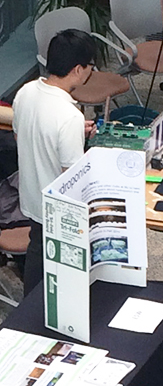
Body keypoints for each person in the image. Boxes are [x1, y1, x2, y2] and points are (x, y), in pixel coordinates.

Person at [13, 28, 98, 296]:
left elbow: (23, 136)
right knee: (51, 279)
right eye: (89, 67)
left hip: (30, 199)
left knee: (36, 251)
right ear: (77, 69)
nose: (89, 73)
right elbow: (71, 180)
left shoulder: (25, 93)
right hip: (58, 214)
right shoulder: (68, 117)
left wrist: (71, 134)